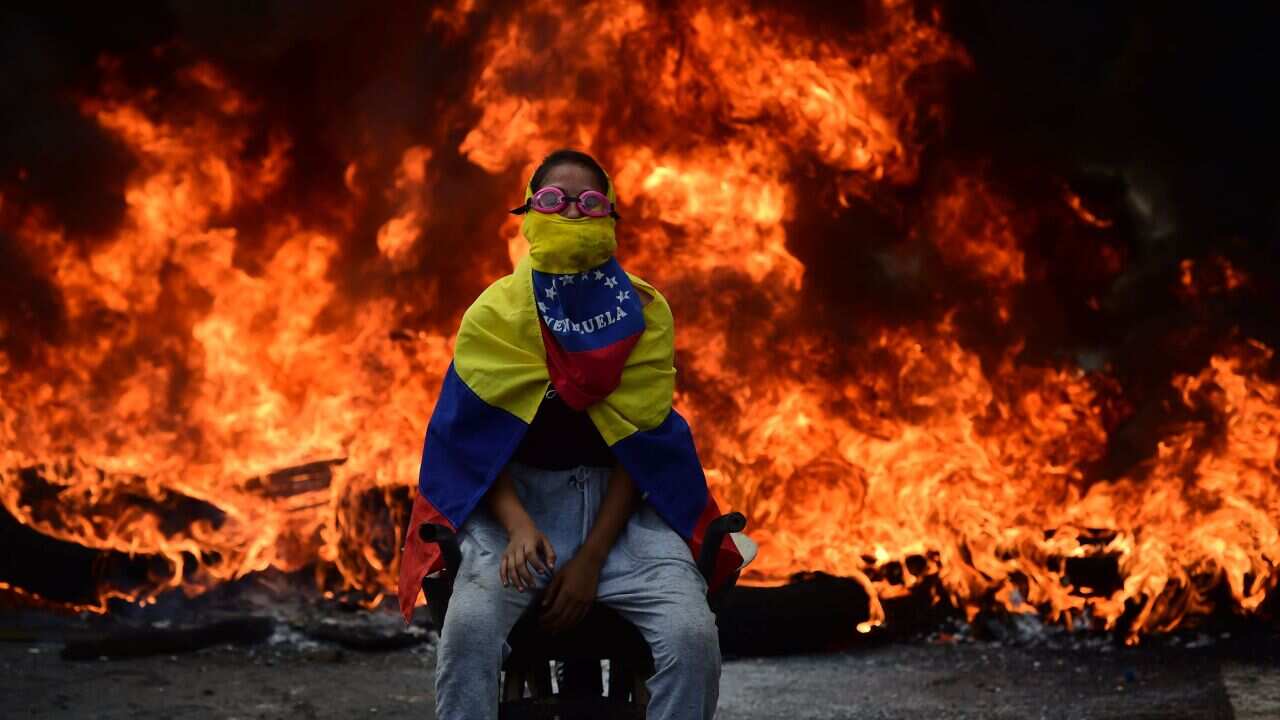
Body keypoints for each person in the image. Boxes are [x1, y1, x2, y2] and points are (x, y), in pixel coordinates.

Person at [397, 149, 744, 720]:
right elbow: (472, 448)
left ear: (610, 218)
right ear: (529, 214)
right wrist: (517, 527)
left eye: (590, 203)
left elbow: (644, 449)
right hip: (518, 510)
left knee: (692, 638)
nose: (574, 215)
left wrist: (591, 559)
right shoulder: (493, 315)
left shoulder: (644, 312)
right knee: (469, 631)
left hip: (623, 515)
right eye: (555, 201)